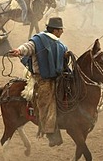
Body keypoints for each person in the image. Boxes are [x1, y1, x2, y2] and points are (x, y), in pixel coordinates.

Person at [8, 17, 68, 147]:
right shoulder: (38, 40)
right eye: (61, 29)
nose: (62, 31)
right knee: (46, 99)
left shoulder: (60, 44)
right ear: (55, 30)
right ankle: (50, 132)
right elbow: (27, 47)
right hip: (42, 79)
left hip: (58, 77)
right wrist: (19, 51)